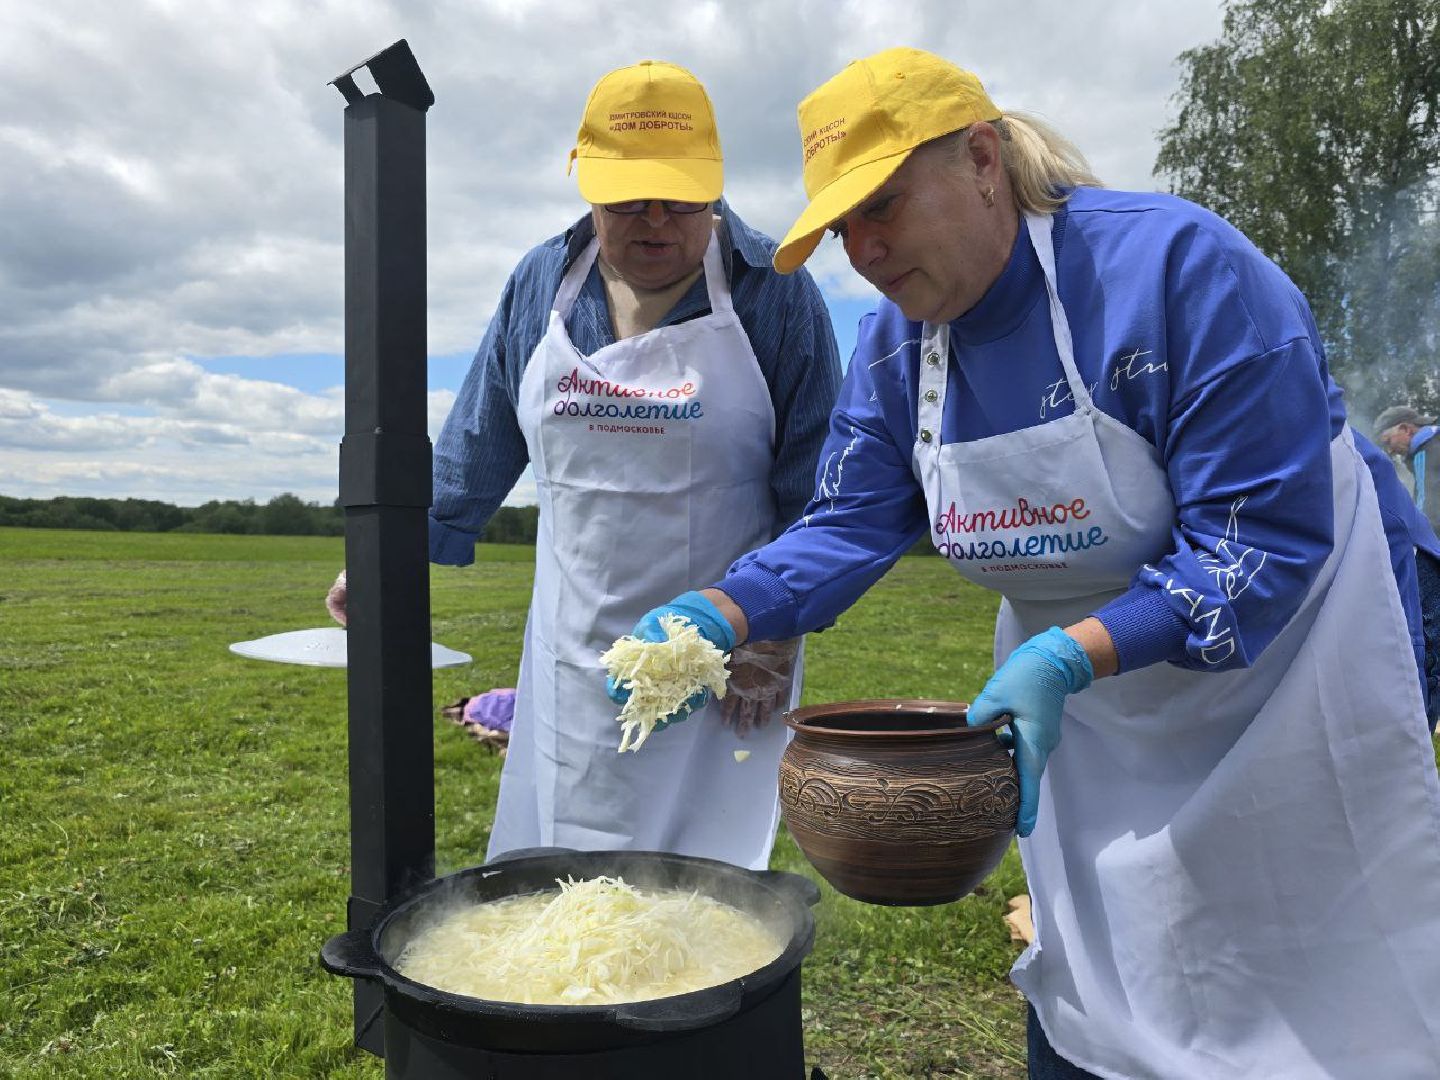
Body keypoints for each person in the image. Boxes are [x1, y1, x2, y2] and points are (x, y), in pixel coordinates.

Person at [622, 48, 1440, 1078]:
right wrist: (720, 610)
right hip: (1087, 688)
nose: (864, 250)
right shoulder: (895, 347)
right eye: (840, 226)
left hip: (1293, 664)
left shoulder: (1177, 272)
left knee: (1304, 945)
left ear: (980, 161)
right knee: (1103, 956)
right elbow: (851, 522)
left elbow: (1256, 547)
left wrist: (1064, 657)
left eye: (883, 205)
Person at [399, 59, 838, 872]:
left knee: (702, 886)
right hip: (575, 648)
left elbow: (816, 490)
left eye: (680, 201)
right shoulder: (542, 282)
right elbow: (475, 447)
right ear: (586, 188)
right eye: (628, 200)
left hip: (728, 655)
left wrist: (772, 637)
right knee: (570, 871)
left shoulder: (774, 288)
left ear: (715, 188)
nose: (656, 223)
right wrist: (390, 559)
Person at [1376, 404, 1440, 530]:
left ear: (1405, 429)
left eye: (1388, 442)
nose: (1389, 451)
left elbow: (1428, 510)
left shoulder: (1425, 451)